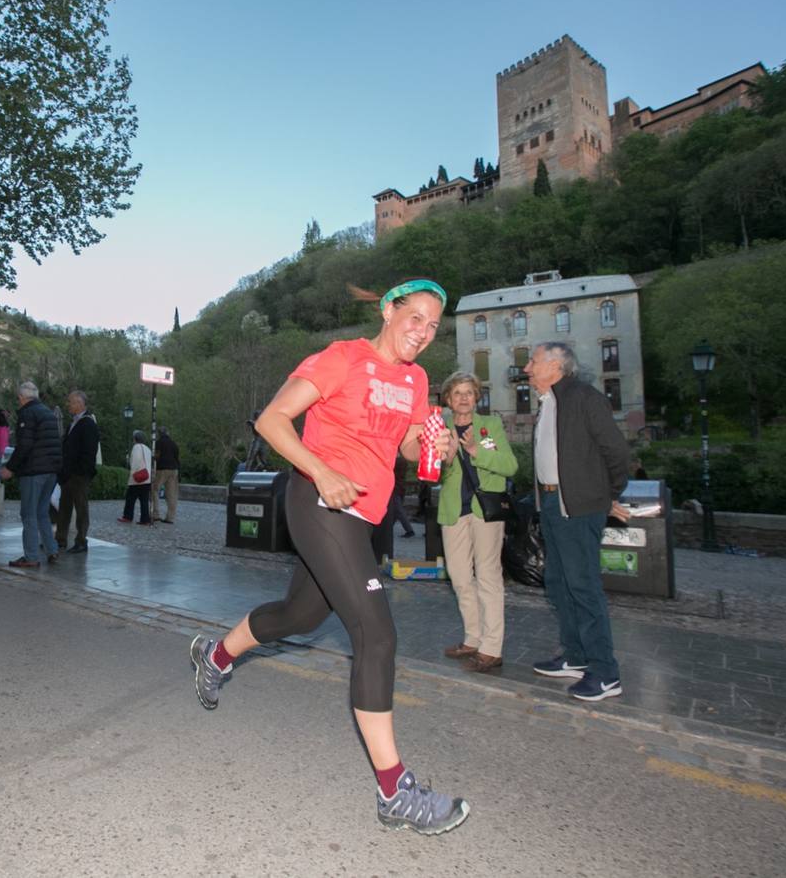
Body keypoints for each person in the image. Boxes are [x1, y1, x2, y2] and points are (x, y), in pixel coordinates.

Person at [188, 279, 471, 836]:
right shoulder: (342, 358)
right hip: (318, 498)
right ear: (389, 311)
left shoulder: (415, 380)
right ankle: (394, 791)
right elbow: (271, 420)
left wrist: (439, 446)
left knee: (301, 617)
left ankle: (215, 656)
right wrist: (321, 470)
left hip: (364, 515)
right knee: (376, 633)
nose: (423, 331)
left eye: (433, 325)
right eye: (414, 316)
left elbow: (411, 448)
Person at [524, 341, 632, 702]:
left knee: (583, 586)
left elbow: (616, 452)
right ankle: (575, 655)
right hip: (553, 504)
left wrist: (606, 495)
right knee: (558, 582)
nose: (527, 368)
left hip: (579, 507)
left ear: (556, 365)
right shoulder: (549, 403)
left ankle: (605, 673)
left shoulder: (584, 398)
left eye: (533, 361)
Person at [436, 371, 518, 674]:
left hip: (486, 509)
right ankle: (473, 638)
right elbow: (429, 474)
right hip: (452, 510)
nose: (463, 398)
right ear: (448, 399)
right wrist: (446, 459)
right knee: (459, 577)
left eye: (469, 392)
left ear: (477, 396)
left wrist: (476, 452)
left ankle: (491, 648)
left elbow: (510, 465)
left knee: (487, 576)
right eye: (457, 393)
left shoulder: (490, 426)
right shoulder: (439, 427)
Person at [0, 381, 62, 567]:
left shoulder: (27, 413)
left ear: (22, 397)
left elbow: (24, 445)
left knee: (28, 513)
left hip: (34, 470)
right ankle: (52, 550)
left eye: (18, 398)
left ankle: (31, 556)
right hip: (51, 470)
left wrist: (10, 467)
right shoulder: (48, 413)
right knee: (42, 511)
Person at [55, 390, 99, 554]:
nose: (68, 405)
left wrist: (81, 471)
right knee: (64, 507)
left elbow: (89, 451)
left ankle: (81, 540)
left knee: (81, 508)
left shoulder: (88, 423)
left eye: (71, 402)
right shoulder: (74, 423)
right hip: (68, 473)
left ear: (80, 404)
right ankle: (60, 539)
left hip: (79, 474)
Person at [119, 430, 152, 525]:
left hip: (138, 478)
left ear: (135, 439)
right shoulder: (148, 449)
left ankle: (127, 516)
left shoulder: (136, 447)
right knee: (144, 500)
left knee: (130, 498)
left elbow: (135, 462)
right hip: (147, 478)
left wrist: (132, 473)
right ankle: (145, 519)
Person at [150, 426, 180, 524]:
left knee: (155, 489)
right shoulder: (174, 444)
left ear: (159, 433)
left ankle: (156, 514)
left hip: (162, 468)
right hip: (174, 469)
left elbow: (157, 456)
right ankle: (170, 517)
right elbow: (177, 457)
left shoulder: (159, 443)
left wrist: (153, 458)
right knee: (171, 494)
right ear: (167, 433)